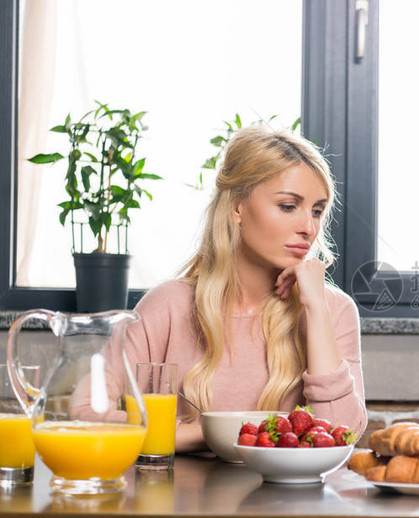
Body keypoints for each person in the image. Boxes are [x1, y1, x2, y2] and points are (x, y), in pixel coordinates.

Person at [124, 125, 366, 452]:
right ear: (237, 207)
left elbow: (339, 438)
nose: (309, 228)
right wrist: (207, 433)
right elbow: (88, 415)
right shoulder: (167, 306)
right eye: (287, 205)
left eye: (317, 211)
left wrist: (317, 310)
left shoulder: (332, 310)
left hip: (293, 503)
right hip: (176, 500)